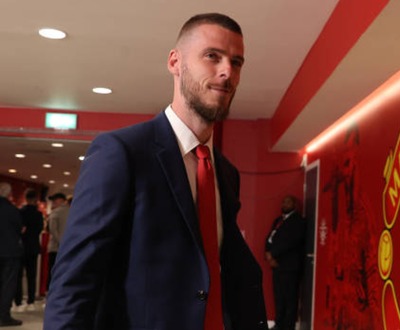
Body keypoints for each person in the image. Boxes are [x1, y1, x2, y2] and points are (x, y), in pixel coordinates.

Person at [44, 13, 267, 330]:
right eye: (212, 56)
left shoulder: (226, 173)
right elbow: (75, 280)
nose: (226, 71)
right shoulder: (121, 152)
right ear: (175, 62)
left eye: (237, 62)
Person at [265, 195, 307, 330]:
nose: (284, 204)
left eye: (288, 201)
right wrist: (268, 254)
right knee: (279, 297)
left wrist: (274, 254)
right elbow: (270, 238)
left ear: (294, 204)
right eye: (283, 201)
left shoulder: (298, 221)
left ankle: (288, 326)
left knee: (290, 299)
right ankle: (279, 323)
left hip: (289, 267)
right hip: (276, 267)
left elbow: (290, 242)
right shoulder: (278, 220)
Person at [13, 189, 44, 312]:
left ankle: (18, 301)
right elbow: (39, 229)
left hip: (20, 247)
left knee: (18, 276)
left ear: (25, 198)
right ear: (35, 199)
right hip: (34, 247)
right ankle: (31, 300)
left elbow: (17, 229)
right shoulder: (38, 214)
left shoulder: (20, 212)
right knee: (32, 275)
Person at [0, 182, 23, 327]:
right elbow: (20, 229)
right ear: (9, 194)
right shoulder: (12, 210)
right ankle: (4, 315)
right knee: (8, 285)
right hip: (10, 252)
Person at [45, 192, 69, 292]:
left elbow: (52, 230)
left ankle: (50, 295)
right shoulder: (73, 211)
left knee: (53, 273)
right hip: (68, 248)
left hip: (56, 248)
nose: (53, 202)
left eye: (55, 200)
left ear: (61, 200)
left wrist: (60, 242)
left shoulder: (55, 213)